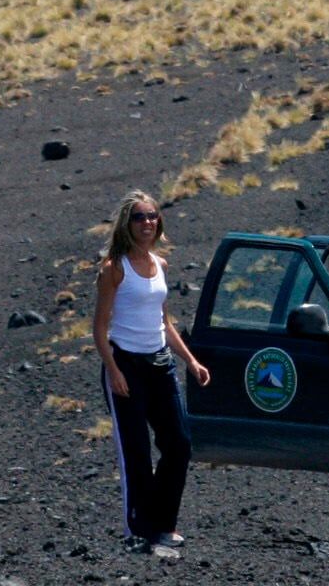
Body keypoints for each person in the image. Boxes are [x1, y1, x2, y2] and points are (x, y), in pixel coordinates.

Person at [92, 190, 211, 553]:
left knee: (179, 444)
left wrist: (190, 360)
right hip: (126, 365)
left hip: (160, 364)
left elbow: (164, 321)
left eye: (152, 216)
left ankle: (164, 522)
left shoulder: (161, 265)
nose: (147, 222)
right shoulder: (114, 269)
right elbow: (99, 327)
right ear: (126, 224)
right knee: (137, 452)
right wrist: (113, 369)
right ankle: (139, 528)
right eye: (139, 217)